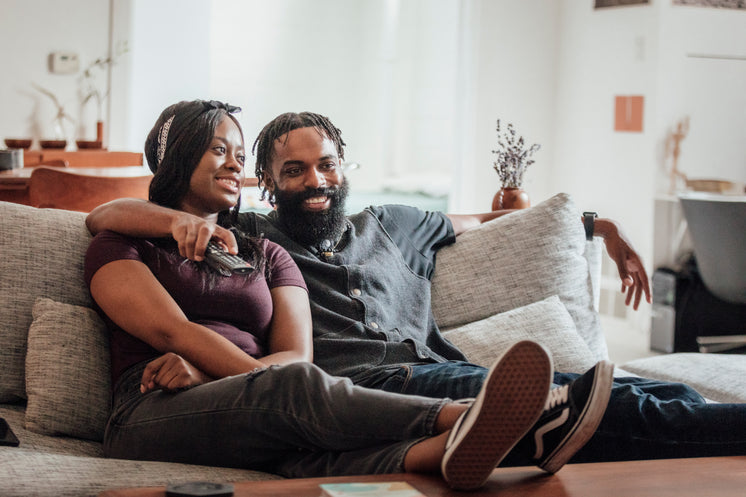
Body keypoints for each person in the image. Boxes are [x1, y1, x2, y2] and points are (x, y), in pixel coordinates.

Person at [87, 109, 746, 465]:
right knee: (607, 405)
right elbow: (108, 216)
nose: (314, 181)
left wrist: (602, 228)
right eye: (293, 170)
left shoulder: (395, 223)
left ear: (346, 169)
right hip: (367, 387)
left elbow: (501, 222)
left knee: (648, 390)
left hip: (434, 370)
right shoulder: (252, 234)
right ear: (268, 184)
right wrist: (174, 217)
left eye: (326, 165)